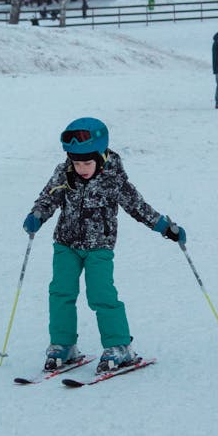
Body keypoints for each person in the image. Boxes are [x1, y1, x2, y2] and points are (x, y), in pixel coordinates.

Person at [22, 117, 186, 374]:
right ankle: (63, 345)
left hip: (99, 247)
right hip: (66, 244)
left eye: (87, 162)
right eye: (76, 162)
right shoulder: (64, 172)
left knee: (101, 295)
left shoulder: (113, 179)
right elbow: (48, 197)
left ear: (100, 155)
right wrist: (38, 215)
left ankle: (120, 347)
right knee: (60, 292)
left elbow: (137, 206)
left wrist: (165, 226)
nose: (81, 168)